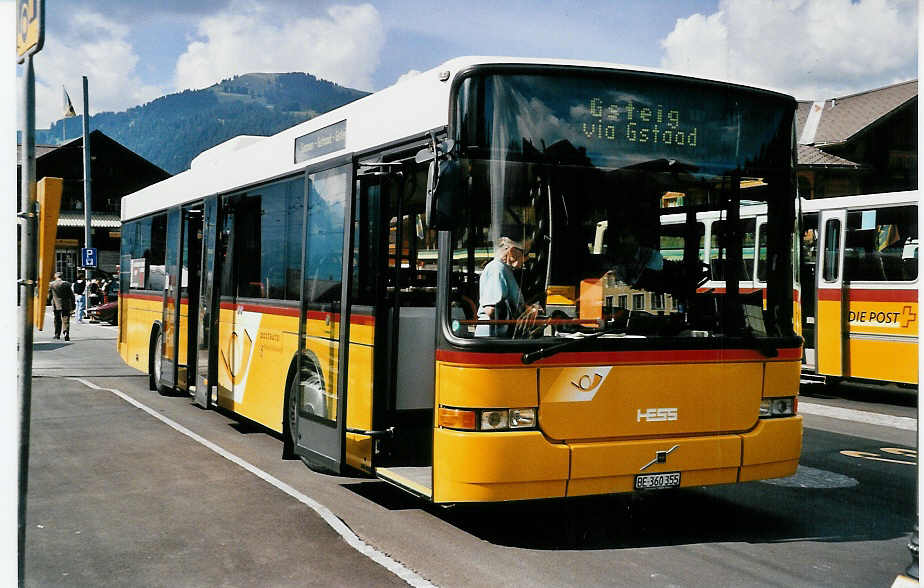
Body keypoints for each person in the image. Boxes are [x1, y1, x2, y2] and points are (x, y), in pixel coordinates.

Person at [475, 237, 527, 337]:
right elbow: (491, 310)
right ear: (512, 252)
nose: (525, 259)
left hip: (498, 333)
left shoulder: (505, 270)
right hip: (493, 336)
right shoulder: (497, 269)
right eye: (524, 254)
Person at [48, 272, 75, 341]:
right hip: (66, 304)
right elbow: (71, 295)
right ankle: (66, 332)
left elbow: (49, 296)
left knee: (57, 319)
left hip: (56, 304)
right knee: (66, 319)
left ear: (55, 277)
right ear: (62, 276)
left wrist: (49, 300)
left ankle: (57, 334)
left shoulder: (51, 284)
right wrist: (73, 304)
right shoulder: (67, 284)